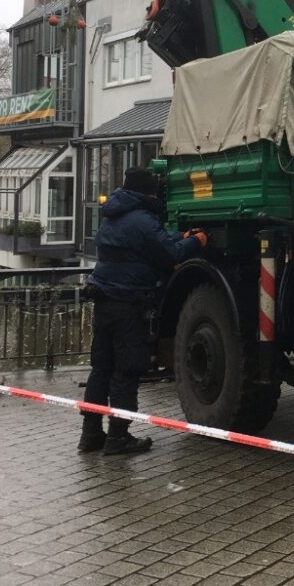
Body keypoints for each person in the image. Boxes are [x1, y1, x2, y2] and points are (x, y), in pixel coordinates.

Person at [79, 166, 207, 455]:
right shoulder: (142, 219)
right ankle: (118, 437)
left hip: (104, 301)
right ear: (147, 191)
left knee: (101, 369)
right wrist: (195, 242)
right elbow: (169, 254)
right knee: (126, 371)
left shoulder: (114, 215)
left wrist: (179, 235)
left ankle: (90, 436)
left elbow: (150, 242)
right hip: (128, 305)